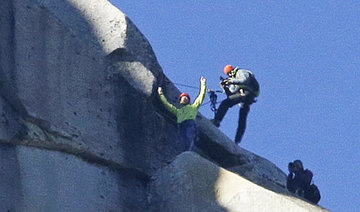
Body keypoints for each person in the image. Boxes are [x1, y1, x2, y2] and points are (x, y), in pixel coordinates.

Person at [211, 65, 259, 144]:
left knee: (225, 103)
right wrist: (225, 87)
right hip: (246, 97)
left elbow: (244, 80)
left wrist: (231, 81)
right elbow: (231, 96)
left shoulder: (240, 72)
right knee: (242, 118)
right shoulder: (234, 80)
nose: (229, 75)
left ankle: (217, 121)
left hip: (248, 93)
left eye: (229, 73)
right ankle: (237, 141)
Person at [157, 77, 207, 151]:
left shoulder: (193, 107)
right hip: (180, 125)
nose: (184, 98)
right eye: (183, 98)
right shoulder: (178, 111)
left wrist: (203, 84)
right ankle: (182, 153)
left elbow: (201, 96)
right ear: (180, 101)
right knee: (179, 141)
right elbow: (167, 105)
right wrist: (161, 94)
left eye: (186, 97)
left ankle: (188, 152)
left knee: (189, 138)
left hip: (190, 123)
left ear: (189, 100)